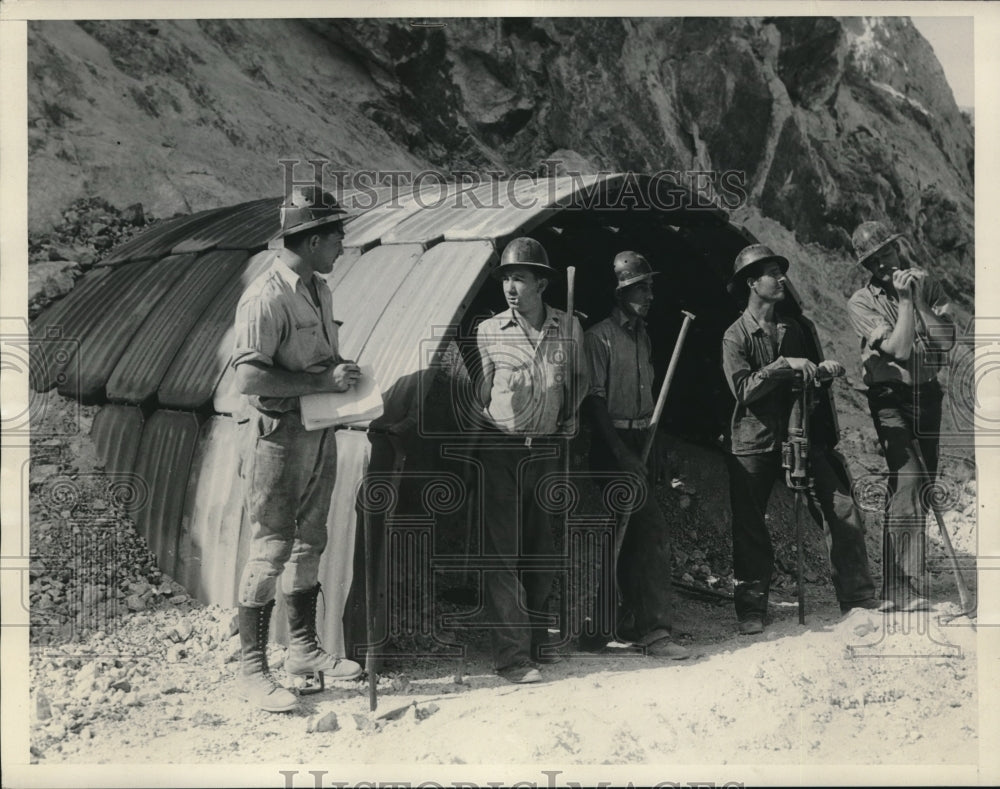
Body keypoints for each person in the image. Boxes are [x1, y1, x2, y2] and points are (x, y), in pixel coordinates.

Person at [231, 185, 363, 712]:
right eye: (337, 236)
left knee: (310, 541)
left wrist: (341, 374)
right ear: (310, 241)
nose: (342, 245)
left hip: (317, 431)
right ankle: (252, 669)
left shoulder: (317, 288)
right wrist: (323, 385)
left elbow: (315, 360)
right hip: (279, 438)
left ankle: (303, 651)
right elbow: (249, 377)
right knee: (270, 550)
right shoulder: (266, 295)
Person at [722, 243, 882, 635]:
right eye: (772, 273)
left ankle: (858, 598)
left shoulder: (793, 330)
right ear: (750, 282)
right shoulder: (735, 336)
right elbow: (743, 390)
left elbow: (808, 377)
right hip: (754, 440)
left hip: (799, 436)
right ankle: (751, 609)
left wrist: (824, 370)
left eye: (781, 272)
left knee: (840, 506)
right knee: (750, 525)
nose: (781, 280)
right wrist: (782, 365)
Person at [474, 237, 588, 684]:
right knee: (501, 556)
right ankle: (511, 657)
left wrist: (570, 418)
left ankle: (539, 639)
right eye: (506, 279)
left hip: (546, 451)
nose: (510, 288)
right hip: (502, 450)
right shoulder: (489, 332)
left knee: (541, 550)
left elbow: (579, 382)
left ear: (541, 283)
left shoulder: (569, 328)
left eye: (519, 278)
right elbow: (483, 393)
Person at [578, 251, 690, 659]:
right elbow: (594, 403)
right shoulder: (599, 337)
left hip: (639, 442)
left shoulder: (642, 335)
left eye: (650, 286)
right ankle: (654, 633)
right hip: (612, 450)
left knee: (628, 540)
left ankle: (614, 625)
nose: (648, 294)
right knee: (649, 532)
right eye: (640, 287)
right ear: (620, 291)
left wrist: (651, 449)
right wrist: (624, 455)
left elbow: (649, 405)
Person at [847, 221, 955, 611]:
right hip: (890, 396)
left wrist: (919, 300)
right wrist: (905, 303)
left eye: (886, 254)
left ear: (898, 247)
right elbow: (900, 349)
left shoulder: (930, 284)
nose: (881, 265)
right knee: (907, 477)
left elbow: (945, 340)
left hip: (927, 395)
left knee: (921, 484)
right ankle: (900, 588)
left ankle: (903, 580)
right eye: (872, 261)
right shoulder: (861, 301)